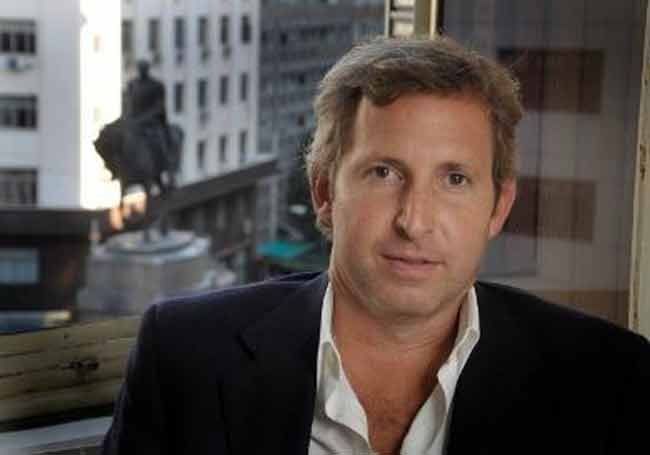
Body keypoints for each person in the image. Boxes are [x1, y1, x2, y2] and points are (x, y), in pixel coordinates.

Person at [102, 36, 650, 455]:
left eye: (455, 179)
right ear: (324, 192)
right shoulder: (185, 354)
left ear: (498, 208)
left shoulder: (606, 378)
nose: (414, 221)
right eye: (384, 172)